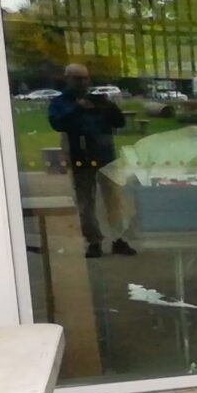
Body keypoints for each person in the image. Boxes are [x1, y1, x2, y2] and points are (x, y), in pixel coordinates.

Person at [48, 63, 137, 259]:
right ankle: (93, 241)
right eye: (77, 79)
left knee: (114, 200)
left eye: (84, 78)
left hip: (105, 155)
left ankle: (118, 238)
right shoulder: (61, 102)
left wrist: (108, 106)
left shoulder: (98, 101)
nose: (82, 83)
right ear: (67, 79)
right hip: (80, 156)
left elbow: (119, 122)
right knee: (85, 201)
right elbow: (57, 123)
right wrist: (78, 108)